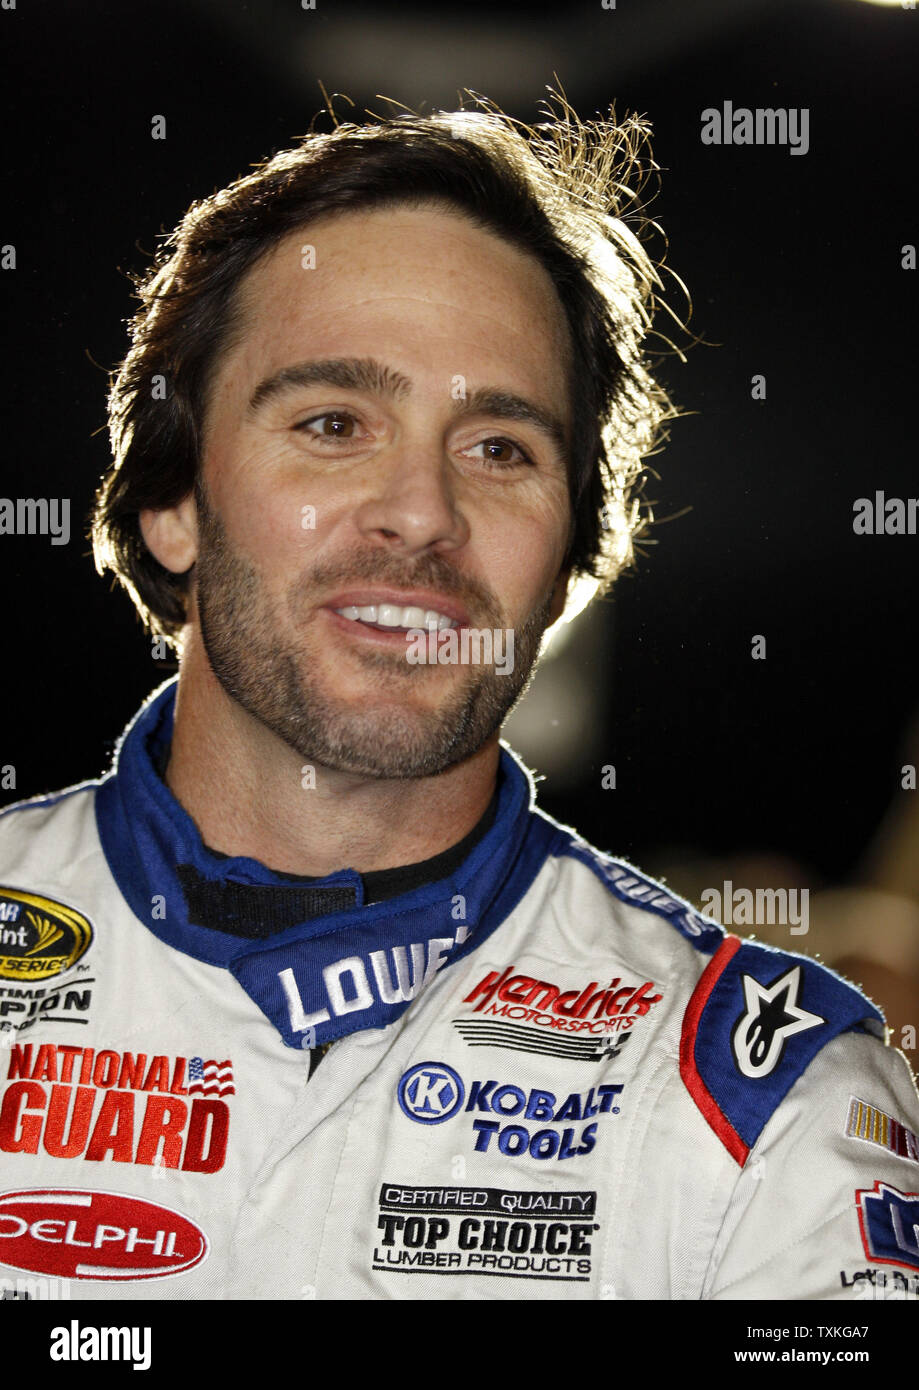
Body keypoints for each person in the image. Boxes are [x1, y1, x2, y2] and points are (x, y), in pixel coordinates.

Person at [0, 94, 917, 1303]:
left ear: (568, 560)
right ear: (173, 502)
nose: (424, 511)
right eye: (333, 423)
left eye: (500, 448)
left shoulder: (768, 1098)